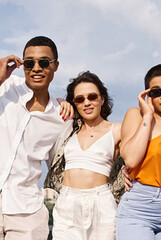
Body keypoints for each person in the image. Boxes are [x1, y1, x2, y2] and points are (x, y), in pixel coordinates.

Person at [0, 36, 73, 240]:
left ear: (55, 66)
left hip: (26, 210)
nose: (36, 68)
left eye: (44, 62)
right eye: (29, 63)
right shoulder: (4, 86)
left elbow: (59, 168)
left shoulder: (61, 116)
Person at [44, 71, 122, 240]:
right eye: (79, 99)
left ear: (102, 98)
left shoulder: (117, 129)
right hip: (67, 203)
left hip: (101, 203)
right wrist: (61, 102)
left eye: (92, 97)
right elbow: (48, 106)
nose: (87, 102)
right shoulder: (69, 129)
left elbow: (135, 155)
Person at [116, 64, 161, 239]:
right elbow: (131, 160)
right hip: (139, 207)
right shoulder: (137, 115)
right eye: (156, 92)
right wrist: (148, 116)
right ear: (148, 96)